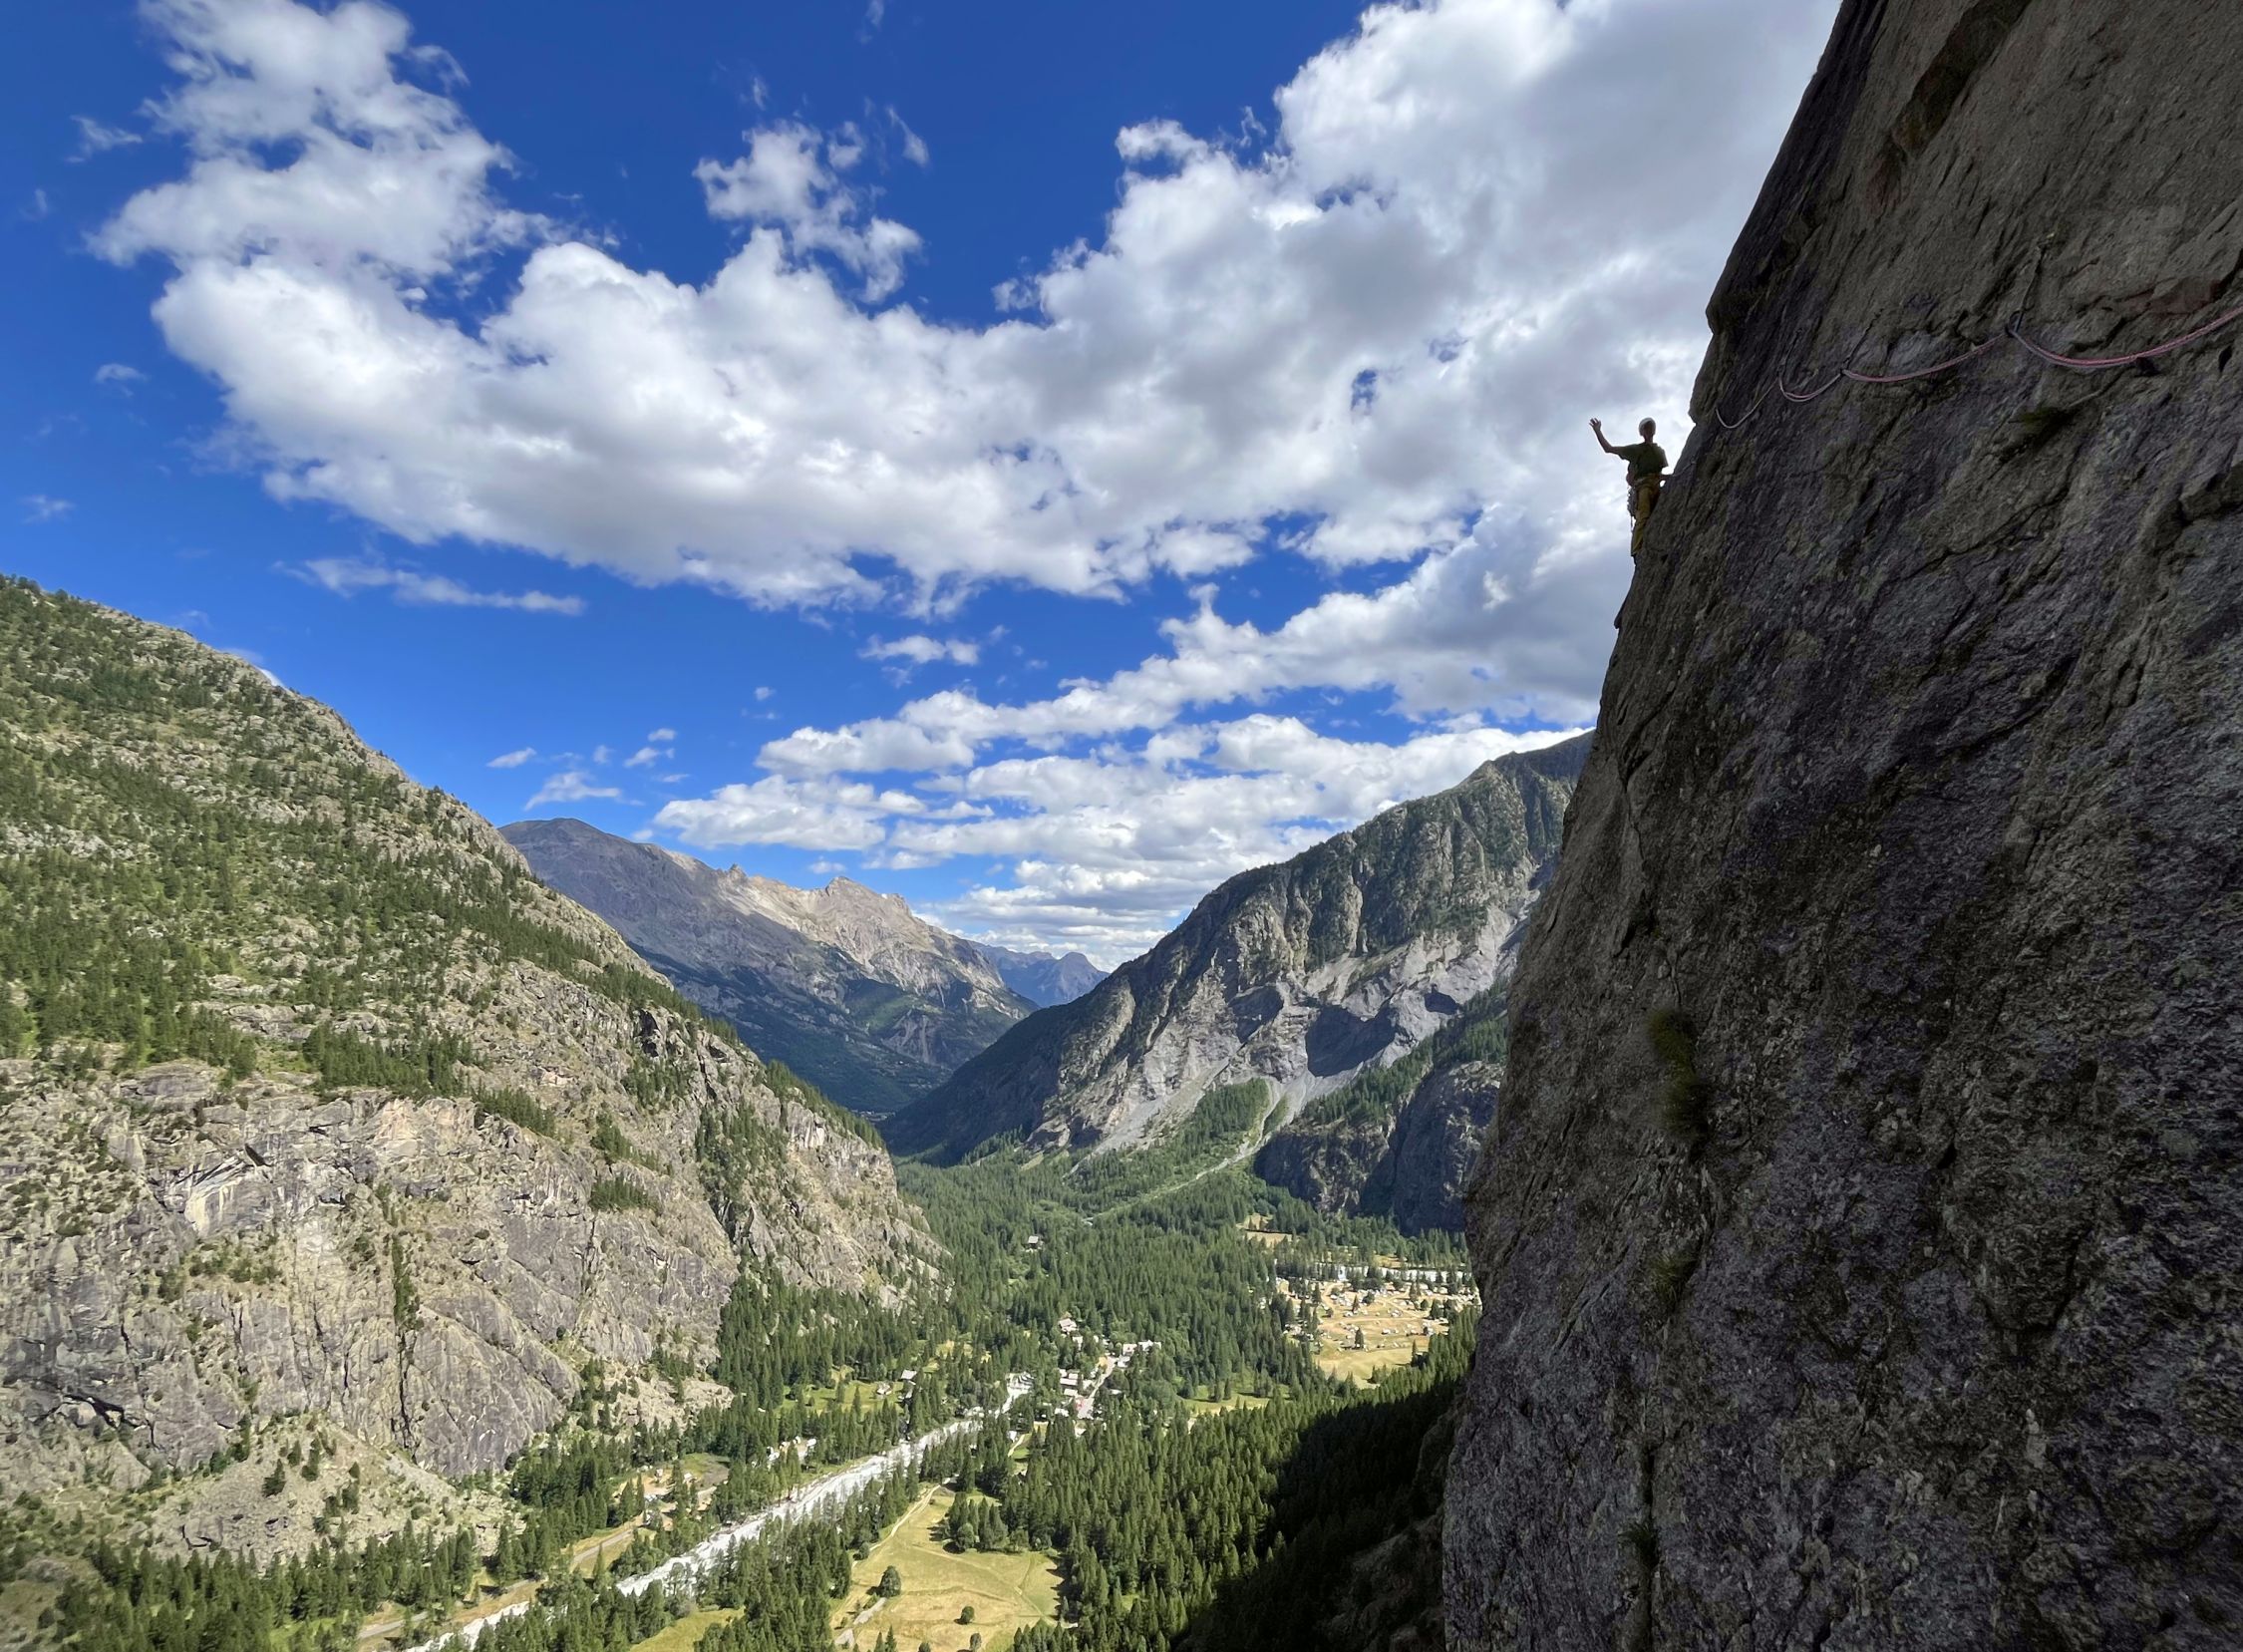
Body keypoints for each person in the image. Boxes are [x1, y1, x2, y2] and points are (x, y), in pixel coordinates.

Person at [1592, 416, 1667, 555]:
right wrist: (1598, 431)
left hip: (1656, 485)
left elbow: (1659, 473)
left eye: (1650, 427)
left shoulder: (1659, 452)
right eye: (1646, 428)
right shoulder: (1636, 450)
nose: (1649, 430)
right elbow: (1609, 449)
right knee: (1643, 516)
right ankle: (1636, 551)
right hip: (1643, 487)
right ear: (1642, 432)